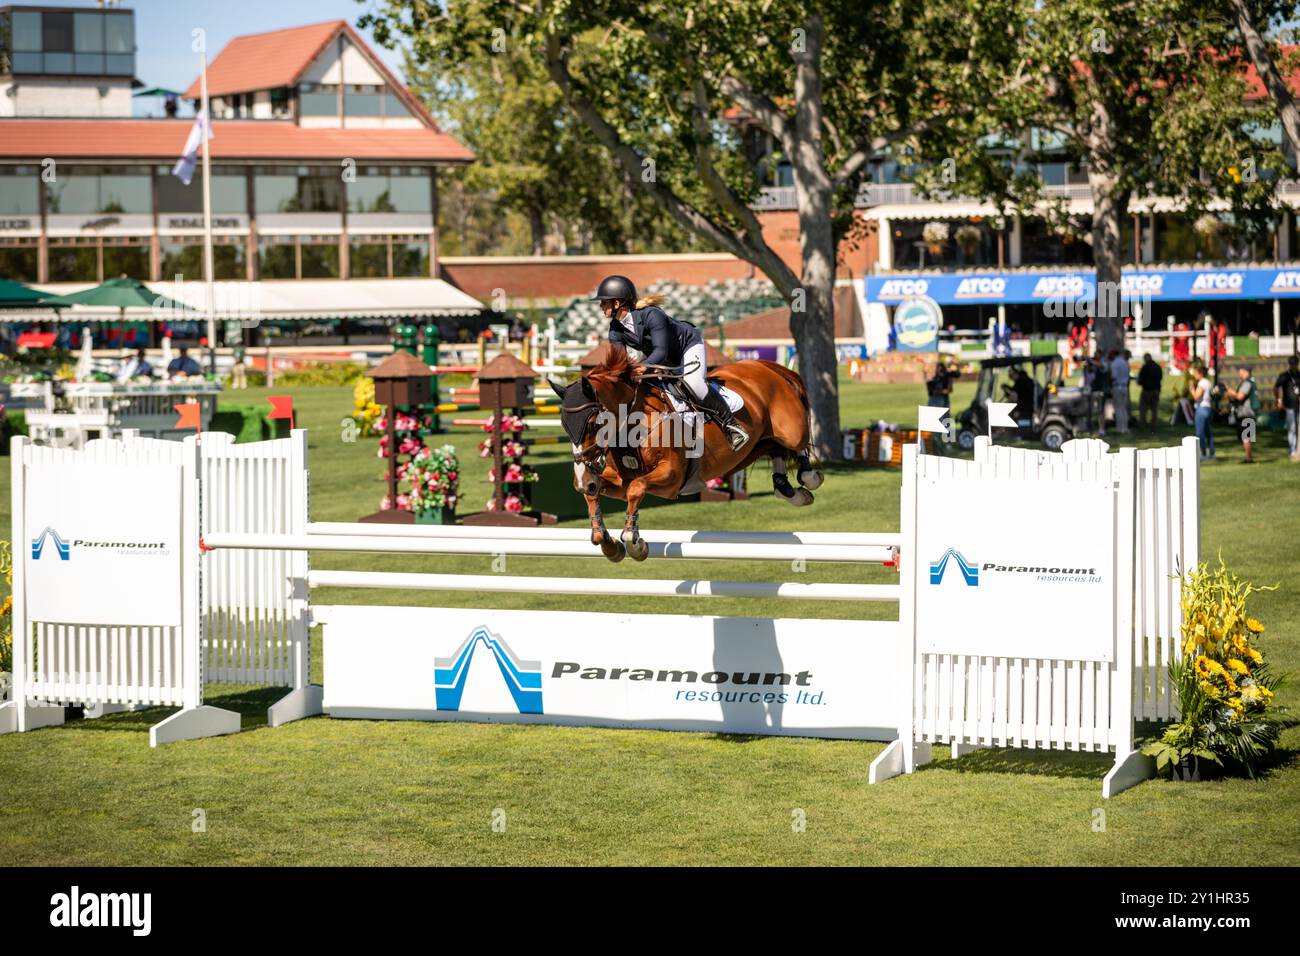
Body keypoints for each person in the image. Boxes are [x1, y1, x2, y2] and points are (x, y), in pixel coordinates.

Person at [596, 274, 748, 450]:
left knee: (694, 384)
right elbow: (620, 362)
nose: (601, 306)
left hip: (687, 345)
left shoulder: (651, 315)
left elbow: (661, 351)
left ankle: (732, 426)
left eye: (604, 302)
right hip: (660, 356)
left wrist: (642, 367)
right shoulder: (615, 329)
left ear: (617, 303)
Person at [1223, 365, 1259, 464]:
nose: (1239, 372)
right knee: (1246, 437)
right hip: (1246, 413)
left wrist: (1228, 390)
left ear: (1246, 371)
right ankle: (1249, 457)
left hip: (1247, 413)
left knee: (1246, 437)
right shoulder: (1247, 382)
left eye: (1241, 370)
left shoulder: (1247, 383)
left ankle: (1249, 459)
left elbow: (1240, 396)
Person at [1275, 355, 1300, 462]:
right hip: (1289, 405)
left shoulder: (1299, 375)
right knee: (1292, 428)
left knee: (1297, 428)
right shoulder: (1284, 376)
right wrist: (1278, 400)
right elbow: (1276, 387)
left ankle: (1297, 449)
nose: (1293, 365)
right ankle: (1292, 450)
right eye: (1291, 363)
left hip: (1299, 405)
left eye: (1295, 363)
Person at [1190, 364, 1216, 461]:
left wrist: (1192, 388)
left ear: (1200, 373)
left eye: (1196, 373)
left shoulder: (1202, 383)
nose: (1195, 375)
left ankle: (1203, 454)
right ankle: (1212, 453)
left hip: (1201, 409)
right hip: (1208, 408)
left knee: (1200, 433)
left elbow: (1196, 397)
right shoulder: (1208, 382)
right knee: (1209, 433)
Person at [1136, 353, 1162, 430]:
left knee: (1143, 409)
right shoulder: (1157, 367)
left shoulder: (1145, 367)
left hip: (1146, 391)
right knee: (1154, 409)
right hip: (1156, 390)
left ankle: (1143, 425)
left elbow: (1140, 380)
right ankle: (1153, 425)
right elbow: (1160, 377)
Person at [1109, 349, 1131, 434]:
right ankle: (1125, 427)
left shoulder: (1115, 364)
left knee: (1118, 409)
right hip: (1124, 386)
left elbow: (1113, 377)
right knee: (1124, 408)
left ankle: (1120, 428)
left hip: (1117, 386)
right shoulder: (1125, 363)